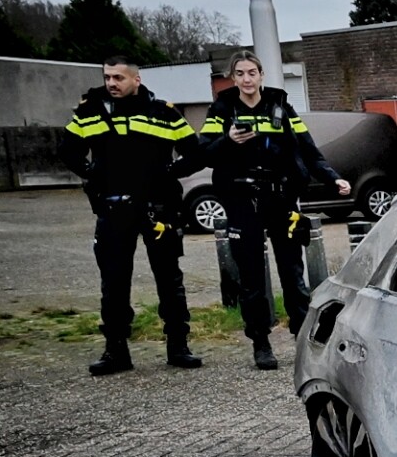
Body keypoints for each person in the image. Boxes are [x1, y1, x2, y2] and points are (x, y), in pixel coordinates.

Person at [199, 50, 349, 370]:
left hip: (280, 197)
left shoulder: (280, 105)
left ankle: (303, 339)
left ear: (261, 75)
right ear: (233, 77)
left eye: (252, 72)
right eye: (240, 73)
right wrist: (228, 140)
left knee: (293, 274)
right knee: (251, 277)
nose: (247, 79)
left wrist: (333, 178)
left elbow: (308, 148)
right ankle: (261, 343)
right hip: (242, 199)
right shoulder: (222, 109)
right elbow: (204, 153)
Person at [59, 55, 203, 376]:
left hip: (158, 208)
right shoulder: (90, 111)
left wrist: (169, 171)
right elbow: (67, 150)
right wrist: (92, 173)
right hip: (114, 208)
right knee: (113, 282)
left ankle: (178, 346)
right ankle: (116, 351)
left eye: (118, 78)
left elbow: (195, 153)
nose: (111, 83)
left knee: (169, 279)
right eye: (107, 77)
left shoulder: (162, 112)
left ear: (136, 79)